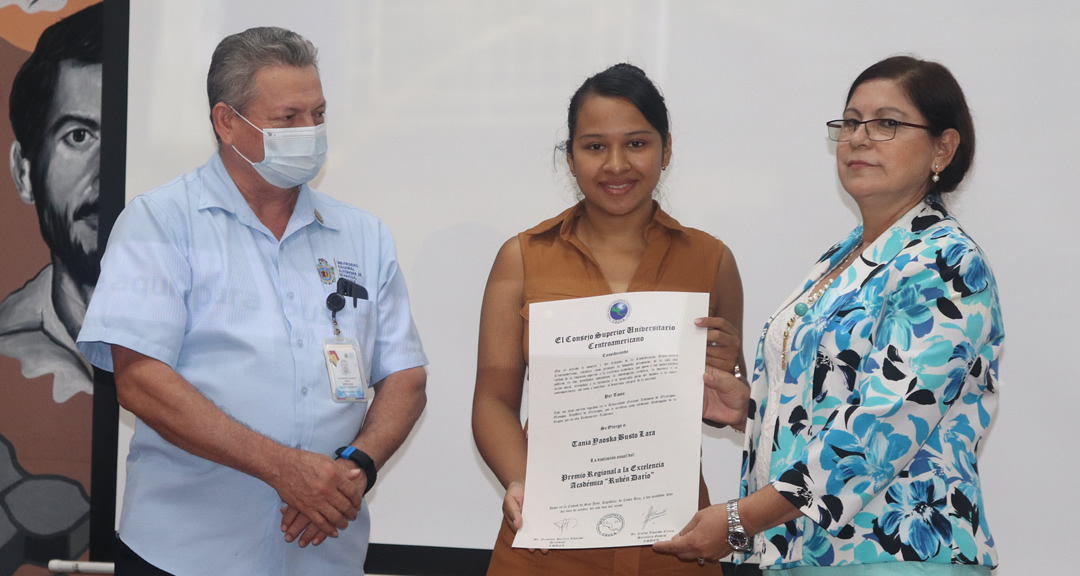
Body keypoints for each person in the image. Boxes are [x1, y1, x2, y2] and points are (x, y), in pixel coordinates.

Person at [77, 26, 427, 575]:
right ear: (227, 122)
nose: (309, 132)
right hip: (185, 554)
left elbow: (405, 378)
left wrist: (355, 470)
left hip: (324, 554)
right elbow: (141, 379)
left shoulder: (363, 234)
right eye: (288, 118)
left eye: (318, 114)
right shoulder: (161, 222)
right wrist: (284, 469)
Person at [654, 56, 1003, 576]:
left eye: (887, 123)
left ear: (943, 148)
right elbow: (833, 398)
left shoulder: (946, 262)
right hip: (812, 553)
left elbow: (876, 431)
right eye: (850, 122)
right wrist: (750, 409)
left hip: (894, 555)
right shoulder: (844, 256)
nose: (860, 138)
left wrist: (737, 520)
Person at [472, 63, 749, 575]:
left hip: (674, 538)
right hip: (547, 541)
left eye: (637, 144)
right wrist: (522, 480)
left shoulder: (712, 260)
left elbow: (727, 404)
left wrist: (729, 376)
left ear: (666, 151)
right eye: (595, 146)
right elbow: (492, 398)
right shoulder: (522, 257)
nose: (616, 164)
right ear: (570, 157)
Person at [2, 1, 102, 403]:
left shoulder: (217, 341)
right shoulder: (7, 351)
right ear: (24, 173)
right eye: (79, 136)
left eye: (125, 137)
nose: (105, 173)